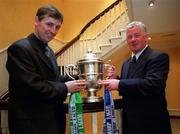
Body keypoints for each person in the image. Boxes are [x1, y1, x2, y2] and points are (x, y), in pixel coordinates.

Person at [6, 4, 86, 134]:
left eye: (57, 27)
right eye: (49, 24)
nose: (54, 31)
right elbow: (33, 86)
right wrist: (66, 87)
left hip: (53, 121)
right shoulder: (19, 48)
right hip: (31, 125)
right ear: (37, 21)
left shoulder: (49, 50)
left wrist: (81, 77)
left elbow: (53, 79)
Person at [102, 21, 172, 134]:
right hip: (129, 122)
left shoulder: (158, 57)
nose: (133, 39)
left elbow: (153, 84)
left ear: (146, 37)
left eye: (137, 35)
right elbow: (129, 85)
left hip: (151, 124)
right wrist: (117, 78)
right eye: (129, 37)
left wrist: (119, 84)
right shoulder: (126, 63)